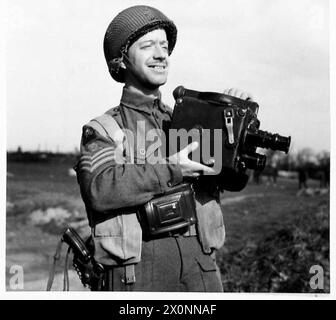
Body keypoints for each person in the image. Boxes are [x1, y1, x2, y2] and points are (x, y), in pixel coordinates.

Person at [76, 5, 253, 292]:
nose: (161, 54)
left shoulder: (188, 121)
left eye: (164, 45)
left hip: (200, 265)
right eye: (147, 46)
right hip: (138, 271)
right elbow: (99, 189)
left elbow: (231, 180)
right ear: (120, 61)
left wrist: (239, 133)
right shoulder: (105, 128)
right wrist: (172, 168)